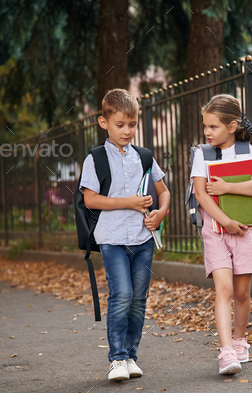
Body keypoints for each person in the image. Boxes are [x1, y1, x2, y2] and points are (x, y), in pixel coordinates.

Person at [80, 88, 170, 381]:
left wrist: (161, 212)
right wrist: (129, 202)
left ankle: (131, 356)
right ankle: (116, 359)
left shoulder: (143, 157)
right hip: (112, 240)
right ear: (103, 122)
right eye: (120, 124)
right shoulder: (95, 159)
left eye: (132, 124)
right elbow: (91, 199)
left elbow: (163, 191)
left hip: (143, 241)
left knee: (138, 299)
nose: (127, 130)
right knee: (122, 296)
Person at [190, 94, 252, 375]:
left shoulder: (248, 152)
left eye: (213, 127)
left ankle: (239, 340)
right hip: (215, 232)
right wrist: (226, 222)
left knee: (242, 293)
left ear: (232, 125)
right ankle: (226, 352)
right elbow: (201, 194)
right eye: (206, 126)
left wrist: (227, 188)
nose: (207, 132)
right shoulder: (203, 153)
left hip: (245, 232)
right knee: (223, 290)